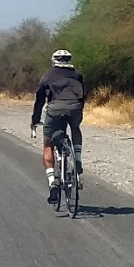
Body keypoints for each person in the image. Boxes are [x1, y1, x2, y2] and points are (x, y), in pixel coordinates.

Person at [31, 49, 85, 204]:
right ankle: (78, 159)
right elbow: (83, 95)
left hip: (55, 108)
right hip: (75, 107)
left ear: (53, 60)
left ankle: (52, 182)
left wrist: (35, 119)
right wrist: (78, 111)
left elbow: (39, 100)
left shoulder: (48, 75)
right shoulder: (77, 75)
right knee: (75, 128)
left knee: (48, 144)